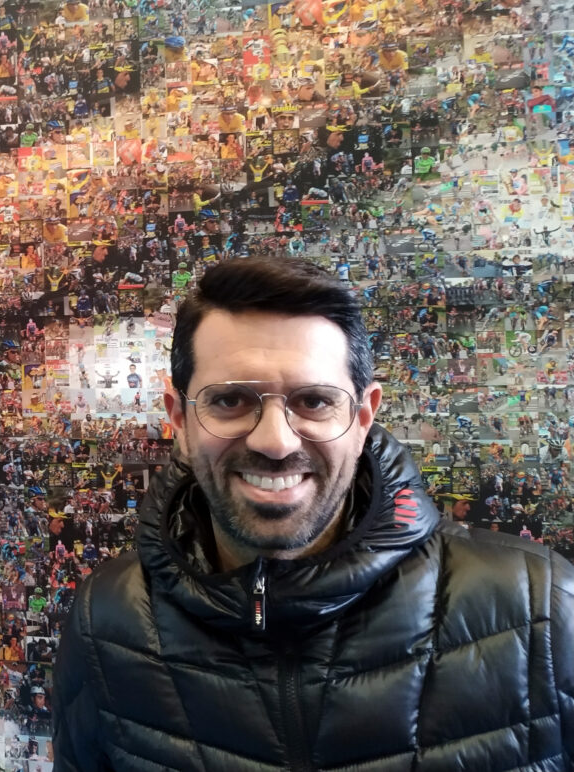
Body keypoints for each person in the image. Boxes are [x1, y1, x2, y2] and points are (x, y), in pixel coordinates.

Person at [53, 257, 574, 770]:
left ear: (363, 416)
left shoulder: (538, 607)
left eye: (315, 401)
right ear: (180, 420)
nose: (275, 442)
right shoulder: (106, 620)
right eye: (230, 401)